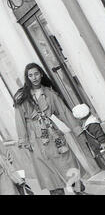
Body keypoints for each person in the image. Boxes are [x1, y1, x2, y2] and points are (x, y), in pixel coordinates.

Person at [14, 63, 87, 195]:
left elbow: (63, 112)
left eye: (36, 74)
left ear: (41, 74)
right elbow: (19, 121)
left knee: (67, 161)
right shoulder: (22, 96)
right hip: (35, 139)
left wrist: (77, 129)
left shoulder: (49, 93)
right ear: (27, 77)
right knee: (48, 171)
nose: (34, 77)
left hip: (53, 134)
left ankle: (78, 190)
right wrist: (24, 141)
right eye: (30, 75)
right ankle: (57, 192)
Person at [72, 104, 105, 180]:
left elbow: (99, 133)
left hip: (100, 144)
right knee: (102, 158)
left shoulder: (92, 124)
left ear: (80, 118)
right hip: (95, 146)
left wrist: (103, 142)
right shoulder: (87, 124)